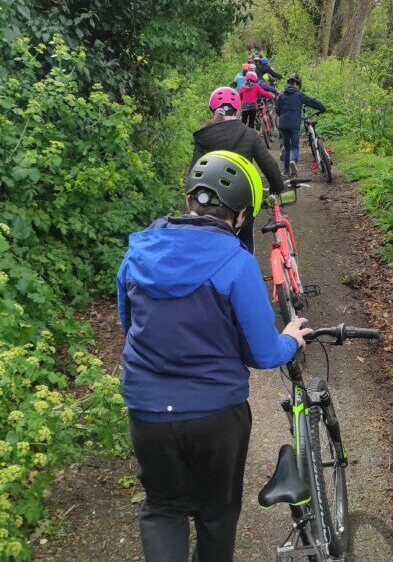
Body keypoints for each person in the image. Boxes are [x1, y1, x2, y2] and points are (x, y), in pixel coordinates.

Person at [118, 150, 312, 562]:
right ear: (240, 216)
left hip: (147, 410)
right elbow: (262, 353)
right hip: (216, 414)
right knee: (216, 515)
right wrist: (291, 339)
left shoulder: (138, 252)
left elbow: (128, 323)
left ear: (189, 198)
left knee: (163, 508)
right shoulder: (236, 263)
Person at [190, 86, 284, 253]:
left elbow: (194, 171)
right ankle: (244, 271)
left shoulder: (204, 137)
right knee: (245, 239)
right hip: (241, 200)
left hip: (208, 202)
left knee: (206, 243)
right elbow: (270, 167)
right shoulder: (250, 134)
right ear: (238, 110)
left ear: (212, 111)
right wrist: (276, 188)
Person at [276, 73, 326, 177]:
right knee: (295, 146)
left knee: (286, 146)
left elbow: (277, 110)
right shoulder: (299, 95)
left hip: (283, 124)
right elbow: (312, 101)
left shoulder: (281, 95)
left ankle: (286, 171)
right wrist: (322, 108)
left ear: (288, 84)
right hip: (294, 124)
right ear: (296, 84)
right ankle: (293, 161)